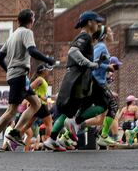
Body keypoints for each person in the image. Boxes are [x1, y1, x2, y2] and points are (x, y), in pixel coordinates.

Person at [0, 9, 56, 151]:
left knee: (35, 103)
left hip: (17, 75)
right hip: (19, 75)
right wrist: (48, 59)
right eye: (34, 17)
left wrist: (9, 70)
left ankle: (15, 132)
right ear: (31, 20)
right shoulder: (27, 32)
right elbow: (32, 51)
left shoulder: (12, 36)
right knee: (11, 110)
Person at [43, 11, 106, 151]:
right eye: (97, 22)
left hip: (76, 79)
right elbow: (73, 51)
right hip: (78, 80)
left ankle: (52, 139)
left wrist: (94, 63)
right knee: (101, 105)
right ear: (89, 22)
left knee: (68, 111)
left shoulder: (86, 37)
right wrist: (90, 64)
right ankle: (75, 124)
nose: (98, 25)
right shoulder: (85, 36)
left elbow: (79, 55)